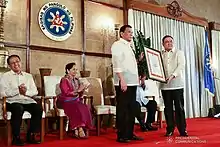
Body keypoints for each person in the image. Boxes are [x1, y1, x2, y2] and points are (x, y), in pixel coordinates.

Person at [0, 55, 43, 146]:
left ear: (20, 62)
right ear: (9, 66)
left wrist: (25, 92)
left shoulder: (28, 76)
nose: (16, 64)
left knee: (38, 108)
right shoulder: (5, 76)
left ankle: (31, 135)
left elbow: (34, 91)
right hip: (12, 101)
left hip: (26, 100)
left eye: (17, 61)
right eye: (13, 63)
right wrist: (17, 91)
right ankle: (16, 137)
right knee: (18, 108)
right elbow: (2, 93)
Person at [111, 25, 143, 143]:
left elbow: (129, 65)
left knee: (131, 109)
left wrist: (138, 61)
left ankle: (129, 133)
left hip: (132, 82)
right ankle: (121, 135)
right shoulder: (117, 45)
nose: (131, 34)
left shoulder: (129, 47)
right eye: (128, 32)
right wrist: (121, 80)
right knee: (123, 109)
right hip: (123, 82)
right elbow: (117, 63)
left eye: (132, 32)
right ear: (121, 33)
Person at [160, 35, 188, 137]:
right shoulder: (160, 55)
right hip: (164, 86)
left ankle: (182, 129)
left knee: (179, 108)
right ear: (163, 44)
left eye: (171, 41)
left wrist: (172, 76)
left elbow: (181, 65)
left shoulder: (179, 53)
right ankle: (170, 129)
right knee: (168, 109)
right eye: (166, 42)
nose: (169, 43)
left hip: (177, 85)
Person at [57, 62, 92, 139]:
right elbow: (66, 92)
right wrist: (79, 90)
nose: (75, 71)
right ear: (68, 70)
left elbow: (79, 93)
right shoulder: (64, 80)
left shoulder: (76, 80)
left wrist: (83, 89)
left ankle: (79, 128)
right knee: (76, 108)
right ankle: (79, 129)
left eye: (76, 69)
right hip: (65, 101)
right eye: (73, 69)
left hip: (75, 100)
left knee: (84, 107)